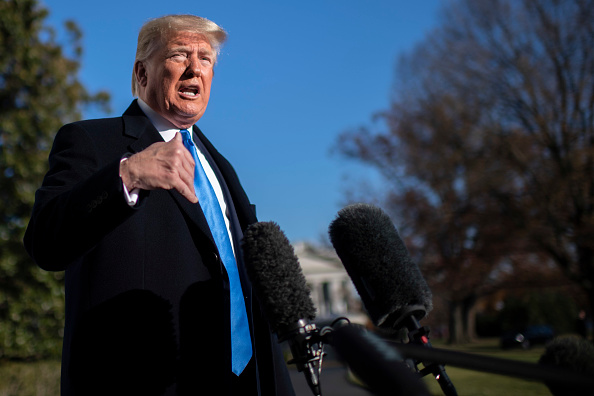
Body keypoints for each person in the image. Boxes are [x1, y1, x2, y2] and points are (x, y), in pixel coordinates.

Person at [24, 14, 294, 396]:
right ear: (142, 72)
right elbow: (45, 242)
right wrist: (127, 176)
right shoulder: (91, 142)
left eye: (205, 59)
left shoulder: (222, 167)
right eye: (179, 55)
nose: (194, 69)